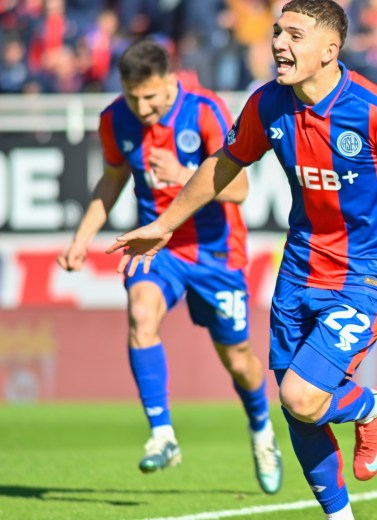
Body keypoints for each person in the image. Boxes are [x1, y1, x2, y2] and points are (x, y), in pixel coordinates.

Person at [106, 2, 377, 519]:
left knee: (301, 395)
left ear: (330, 49)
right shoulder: (268, 104)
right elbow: (224, 164)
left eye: (295, 35)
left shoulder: (375, 109)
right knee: (299, 410)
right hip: (299, 271)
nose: (279, 43)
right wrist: (164, 225)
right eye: (277, 32)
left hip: (366, 275)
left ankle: (372, 405)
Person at [58, 39, 282, 494]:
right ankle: (163, 434)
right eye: (132, 96)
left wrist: (185, 175)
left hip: (215, 252)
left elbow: (240, 191)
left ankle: (262, 431)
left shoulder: (204, 111)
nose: (142, 107)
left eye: (151, 97)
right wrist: (81, 239)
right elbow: (113, 179)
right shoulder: (114, 119)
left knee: (239, 361)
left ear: (170, 82)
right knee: (141, 313)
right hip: (156, 245)